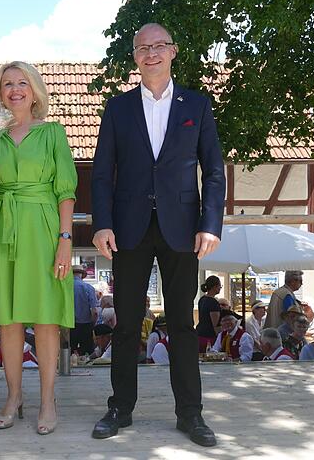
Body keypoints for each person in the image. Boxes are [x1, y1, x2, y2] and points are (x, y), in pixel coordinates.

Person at [90, 23, 225, 447]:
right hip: (128, 229)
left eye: (159, 46)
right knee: (126, 324)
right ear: (134, 56)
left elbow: (215, 170)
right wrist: (102, 223)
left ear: (173, 51)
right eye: (143, 47)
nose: (151, 53)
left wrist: (210, 224)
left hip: (182, 229)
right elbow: (101, 172)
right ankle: (120, 409)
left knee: (183, 325)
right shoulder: (117, 108)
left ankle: (191, 414)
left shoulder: (198, 105)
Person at [0, 60, 77, 436]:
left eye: (22, 83)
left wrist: (66, 241)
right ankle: (14, 395)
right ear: (0, 93)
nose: (15, 89)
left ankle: (47, 399)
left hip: (44, 229)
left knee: (46, 318)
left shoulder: (53, 134)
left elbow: (66, 191)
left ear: (35, 91)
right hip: (0, 229)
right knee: (9, 318)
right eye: (7, 84)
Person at [71, 265, 99, 355]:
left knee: (69, 353)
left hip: (69, 325)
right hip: (86, 325)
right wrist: (92, 323)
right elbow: (94, 312)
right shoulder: (88, 288)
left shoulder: (65, 288)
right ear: (82, 275)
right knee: (87, 354)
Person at [195, 276, 222, 352]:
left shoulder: (202, 299)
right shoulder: (213, 303)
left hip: (199, 334)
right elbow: (215, 324)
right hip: (209, 337)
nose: (220, 288)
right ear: (215, 287)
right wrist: (220, 338)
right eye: (220, 286)